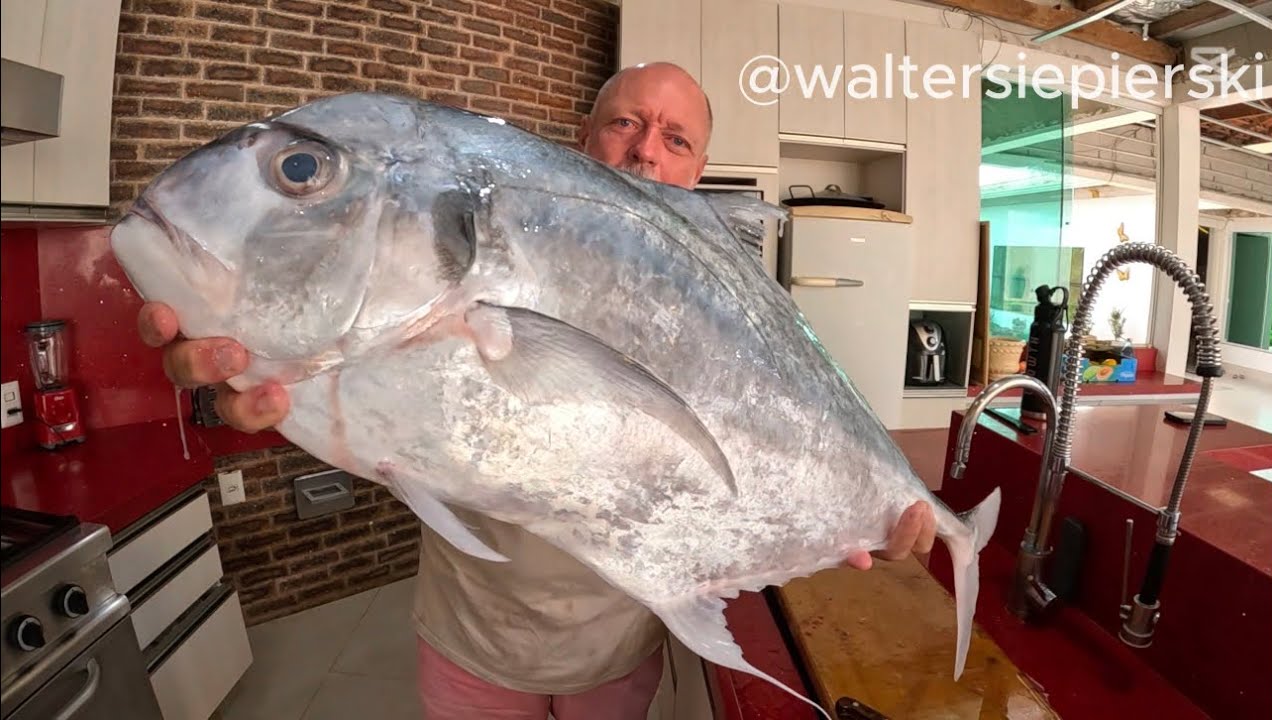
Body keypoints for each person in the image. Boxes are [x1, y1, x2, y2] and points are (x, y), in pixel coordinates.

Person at [137, 62, 937, 719]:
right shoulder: (507, 239)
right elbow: (379, 397)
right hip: (471, 637)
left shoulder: (735, 314)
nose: (645, 150)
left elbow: (785, 438)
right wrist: (240, 369)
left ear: (696, 172)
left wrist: (869, 506)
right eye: (625, 123)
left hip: (619, 638)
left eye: (676, 137)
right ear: (582, 140)